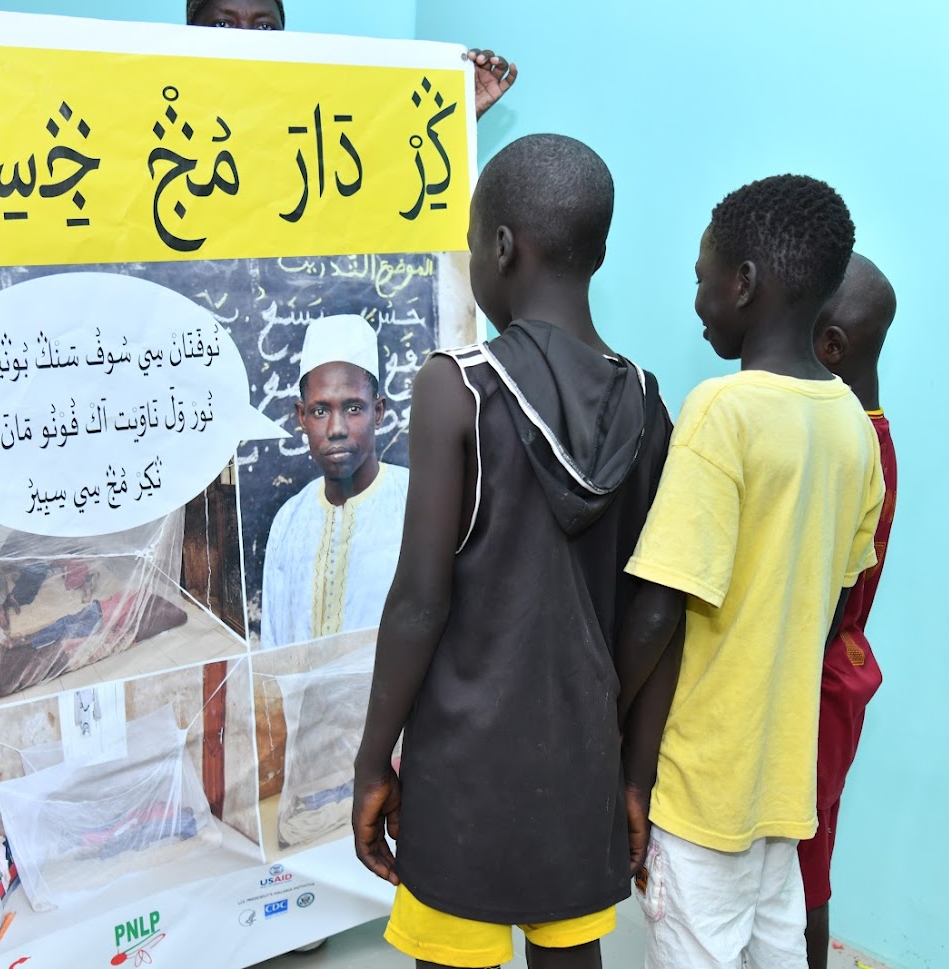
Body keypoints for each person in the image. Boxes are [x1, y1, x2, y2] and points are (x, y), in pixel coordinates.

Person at [351, 133, 674, 969]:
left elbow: (420, 601)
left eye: (469, 247)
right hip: (578, 762)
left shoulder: (453, 387)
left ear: (500, 247)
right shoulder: (645, 402)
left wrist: (370, 758)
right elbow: (659, 609)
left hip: (462, 766)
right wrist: (630, 767)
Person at [614, 174, 886, 969]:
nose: (696, 299)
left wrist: (610, 718)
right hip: (780, 784)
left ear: (744, 283)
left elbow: (662, 602)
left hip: (701, 787)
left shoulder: (720, 411)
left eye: (702, 279)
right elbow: (835, 595)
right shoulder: (851, 425)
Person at [0, 0, 518, 119]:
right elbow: (6, 132)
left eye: (263, 24)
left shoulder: (318, 129)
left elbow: (389, 161)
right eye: (221, 22)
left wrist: (451, 113)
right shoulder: (139, 109)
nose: (244, 38)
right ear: (188, 30)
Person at [799, 252, 899, 969]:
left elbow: (819, 601)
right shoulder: (865, 433)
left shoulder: (850, 447)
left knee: (802, 875)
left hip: (816, 683)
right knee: (807, 859)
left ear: (829, 345)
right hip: (833, 676)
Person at [260, 314, 409, 649]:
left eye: (353, 408)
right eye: (320, 411)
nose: (336, 428)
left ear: (379, 411)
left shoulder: (415, 505)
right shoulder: (288, 522)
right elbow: (273, 644)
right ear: (301, 416)